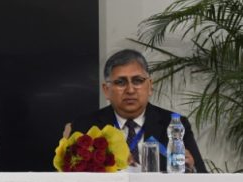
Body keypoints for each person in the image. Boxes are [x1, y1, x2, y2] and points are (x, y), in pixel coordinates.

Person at [70, 48, 206, 173]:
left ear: (150, 86)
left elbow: (202, 177)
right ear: (106, 90)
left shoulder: (174, 124)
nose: (130, 90)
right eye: (120, 82)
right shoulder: (85, 126)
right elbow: (70, 180)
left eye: (137, 81)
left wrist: (191, 168)